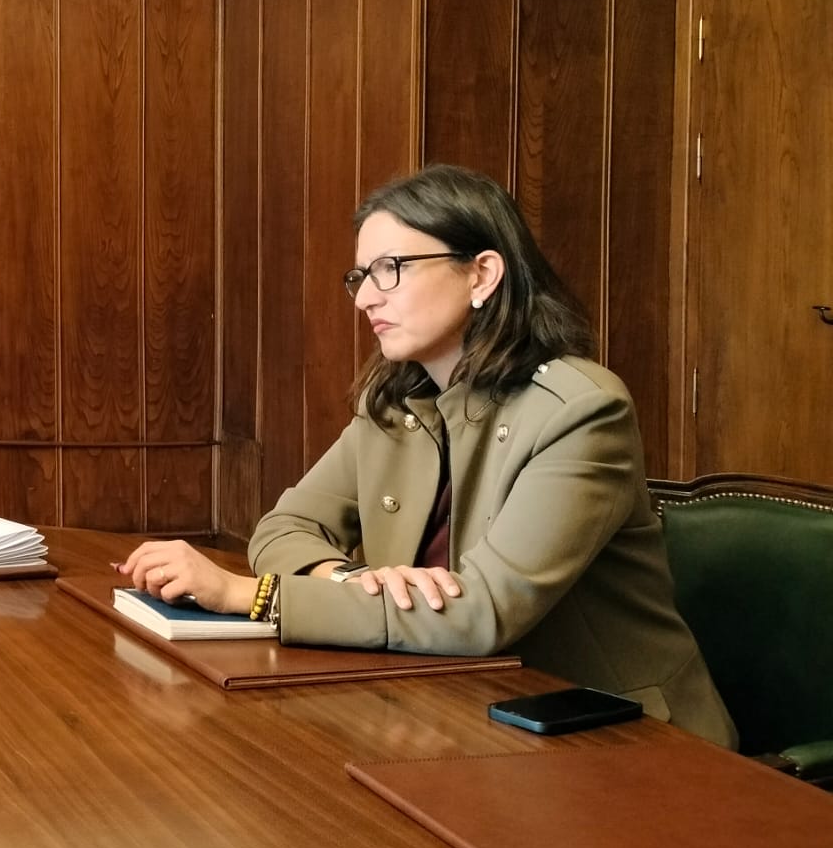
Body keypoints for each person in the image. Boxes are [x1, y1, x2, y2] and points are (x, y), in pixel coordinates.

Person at [117, 164, 734, 747]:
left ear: (482, 274)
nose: (365, 299)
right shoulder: (397, 403)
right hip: (458, 712)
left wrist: (248, 597)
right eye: (360, 277)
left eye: (391, 269)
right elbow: (286, 526)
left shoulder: (581, 411)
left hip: (615, 736)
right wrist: (354, 579)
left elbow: (483, 613)